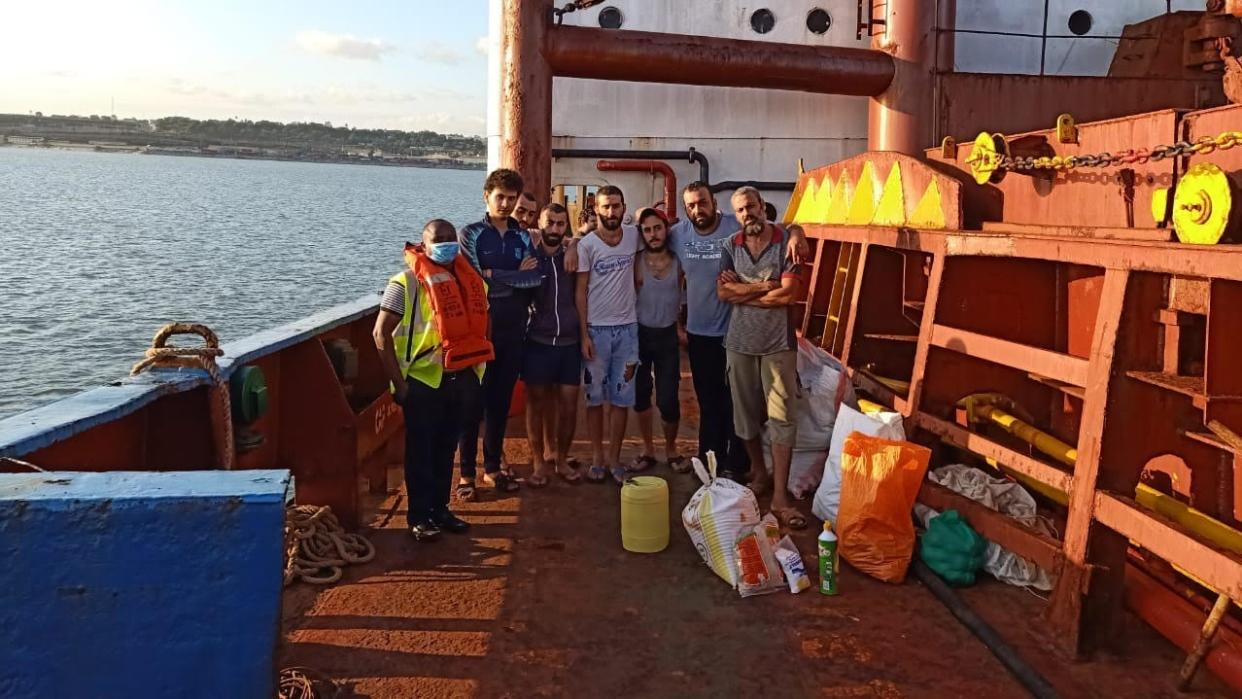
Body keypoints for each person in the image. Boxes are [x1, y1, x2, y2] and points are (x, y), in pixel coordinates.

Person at [669, 182, 810, 483]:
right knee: (709, 403)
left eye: (703, 202)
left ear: (714, 203)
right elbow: (643, 237)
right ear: (686, 209)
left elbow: (783, 227)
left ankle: (739, 465)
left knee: (739, 403)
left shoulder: (737, 223)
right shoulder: (679, 234)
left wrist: (797, 232)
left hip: (735, 332)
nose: (698, 209)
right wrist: (576, 243)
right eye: (692, 205)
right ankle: (710, 463)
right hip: (701, 332)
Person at [373, 219, 491, 540]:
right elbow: (380, 335)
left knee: (445, 449)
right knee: (420, 452)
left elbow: (483, 325)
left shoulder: (473, 282)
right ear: (424, 245)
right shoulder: (405, 283)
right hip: (422, 383)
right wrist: (399, 383)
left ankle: (440, 510)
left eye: (451, 238)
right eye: (439, 239)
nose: (447, 244)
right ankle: (419, 516)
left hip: (461, 378)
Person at [717, 186, 807, 530]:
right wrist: (761, 287)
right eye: (740, 210)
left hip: (777, 345)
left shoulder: (786, 242)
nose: (747, 215)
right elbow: (723, 292)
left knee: (782, 417)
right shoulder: (731, 246)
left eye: (751, 207)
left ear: (762, 207)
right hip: (738, 344)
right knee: (745, 416)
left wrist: (744, 291)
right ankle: (760, 472)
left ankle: (781, 496)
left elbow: (789, 294)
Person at [456, 168, 542, 499]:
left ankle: (492, 468)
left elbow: (534, 280)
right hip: (480, 331)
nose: (505, 204)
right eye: (500, 197)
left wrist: (496, 274)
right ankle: (466, 475)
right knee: (471, 404)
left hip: (513, 329)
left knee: (500, 403)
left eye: (511, 198)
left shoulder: (522, 236)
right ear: (486, 196)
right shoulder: (471, 234)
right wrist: (508, 275)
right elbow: (477, 281)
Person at [576, 185, 641, 484]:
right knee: (594, 398)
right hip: (596, 331)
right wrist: (584, 334)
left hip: (628, 331)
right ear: (596, 209)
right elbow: (580, 292)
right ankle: (597, 457)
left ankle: (615, 458)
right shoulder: (586, 245)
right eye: (606, 207)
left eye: (616, 206)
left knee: (621, 398)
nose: (611, 212)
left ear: (624, 207)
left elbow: (665, 231)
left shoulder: (633, 236)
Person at [522, 203, 583, 487]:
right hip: (538, 341)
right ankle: (538, 461)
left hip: (569, 342)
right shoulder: (529, 256)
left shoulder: (573, 255)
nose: (555, 229)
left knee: (569, 405)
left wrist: (575, 243)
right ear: (540, 224)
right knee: (536, 402)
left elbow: (585, 235)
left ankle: (561, 458)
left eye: (561, 224)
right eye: (550, 223)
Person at [632, 207, 686, 473]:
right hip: (640, 334)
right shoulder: (636, 262)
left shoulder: (679, 261)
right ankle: (647, 449)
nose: (653, 235)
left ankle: (671, 449)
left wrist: (681, 326)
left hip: (667, 336)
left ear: (666, 230)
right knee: (640, 395)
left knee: (668, 398)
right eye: (647, 230)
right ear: (641, 234)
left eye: (657, 228)